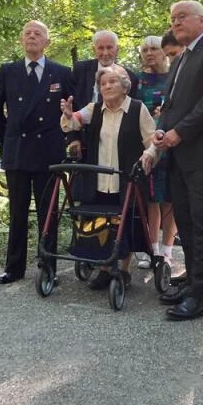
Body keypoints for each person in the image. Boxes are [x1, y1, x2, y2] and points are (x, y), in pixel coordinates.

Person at [154, 0, 203, 321]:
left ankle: (200, 297)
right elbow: (170, 105)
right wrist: (161, 133)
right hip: (178, 153)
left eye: (182, 17)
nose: (175, 23)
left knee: (202, 223)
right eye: (173, 18)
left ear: (202, 20)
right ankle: (191, 282)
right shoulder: (180, 58)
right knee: (185, 221)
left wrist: (180, 133)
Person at [0, 20, 71, 284]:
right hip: (19, 152)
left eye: (38, 34)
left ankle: (48, 267)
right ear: (21, 41)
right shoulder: (8, 71)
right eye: (27, 34)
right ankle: (14, 268)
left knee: (49, 213)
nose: (32, 37)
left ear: (47, 42)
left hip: (49, 153)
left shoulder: (62, 72)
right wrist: (8, 139)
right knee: (18, 212)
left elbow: (71, 112)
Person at [60, 65, 158, 289]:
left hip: (127, 179)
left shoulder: (137, 108)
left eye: (112, 82)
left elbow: (151, 138)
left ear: (125, 87)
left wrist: (149, 154)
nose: (106, 86)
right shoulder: (94, 109)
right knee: (101, 223)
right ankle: (104, 269)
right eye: (103, 83)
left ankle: (123, 270)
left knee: (127, 223)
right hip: (99, 179)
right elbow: (74, 121)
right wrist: (68, 115)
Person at [135, 36, 177, 270]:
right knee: (150, 199)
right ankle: (151, 248)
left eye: (154, 49)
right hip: (146, 146)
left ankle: (167, 252)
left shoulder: (176, 76)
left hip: (172, 145)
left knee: (169, 199)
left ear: (164, 52)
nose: (149, 53)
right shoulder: (137, 80)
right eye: (145, 50)